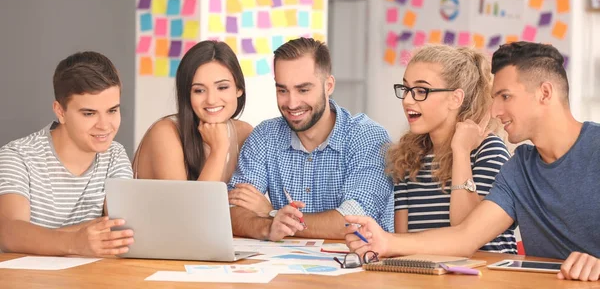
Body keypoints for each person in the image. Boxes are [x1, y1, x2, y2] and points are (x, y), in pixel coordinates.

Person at [345, 42, 600, 282]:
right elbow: (465, 236)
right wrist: (385, 241)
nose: (494, 110)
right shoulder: (519, 168)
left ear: (545, 93)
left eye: (506, 97)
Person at [228, 37, 394, 241]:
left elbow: (353, 221)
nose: (291, 102)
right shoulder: (265, 136)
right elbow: (232, 210)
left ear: (329, 85)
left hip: (359, 267)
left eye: (303, 90)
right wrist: (269, 226)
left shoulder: (367, 137)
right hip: (283, 268)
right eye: (282, 90)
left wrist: (271, 214)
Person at [0, 51, 134, 256]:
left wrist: (44, 238)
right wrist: (76, 241)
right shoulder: (17, 156)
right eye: (89, 113)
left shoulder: (114, 154)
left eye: (112, 111)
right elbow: (10, 234)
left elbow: (122, 230)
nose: (105, 126)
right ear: (60, 112)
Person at [389, 45, 515, 253]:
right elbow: (402, 244)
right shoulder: (407, 157)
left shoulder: (490, 151)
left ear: (456, 98)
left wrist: (461, 152)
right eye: (406, 89)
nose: (407, 100)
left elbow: (466, 233)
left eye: (421, 91)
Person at [133, 41, 254, 186]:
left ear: (239, 89)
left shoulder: (244, 133)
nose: (211, 100)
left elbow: (242, 203)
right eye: (199, 90)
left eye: (222, 87)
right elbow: (188, 208)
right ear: (187, 94)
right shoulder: (165, 133)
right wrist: (219, 150)